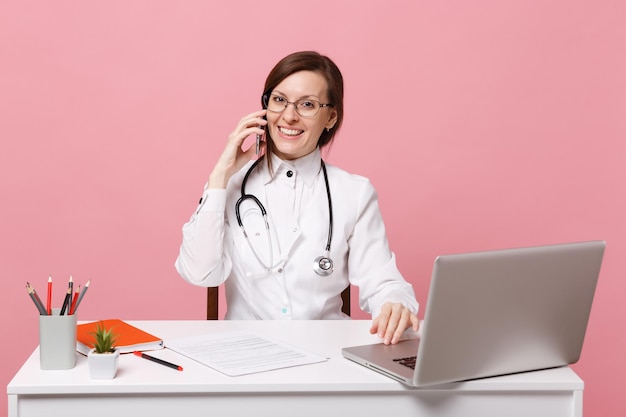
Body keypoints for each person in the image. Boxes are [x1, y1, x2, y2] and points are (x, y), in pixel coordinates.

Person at [175, 51, 419, 344]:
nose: (289, 116)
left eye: (307, 105)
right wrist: (219, 178)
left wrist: (394, 304)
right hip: (245, 354)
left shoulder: (353, 192)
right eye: (279, 100)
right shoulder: (230, 187)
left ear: (330, 117)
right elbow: (200, 274)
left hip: (326, 355)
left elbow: (383, 281)